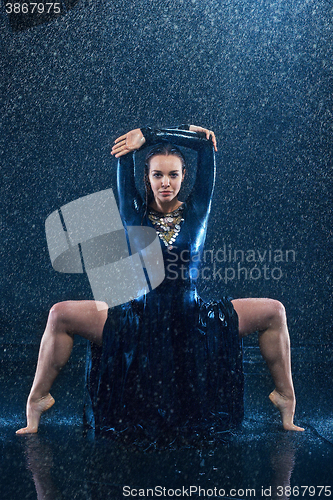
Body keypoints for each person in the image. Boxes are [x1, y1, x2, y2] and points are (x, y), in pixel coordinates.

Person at [16, 125, 304, 436]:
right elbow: (125, 154)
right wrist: (139, 141)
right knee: (60, 314)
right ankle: (38, 399)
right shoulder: (133, 213)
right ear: (147, 178)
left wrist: (152, 133)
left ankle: (285, 397)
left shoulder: (197, 211)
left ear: (184, 177)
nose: (165, 182)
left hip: (192, 320)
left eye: (173, 175)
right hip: (138, 321)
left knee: (274, 311)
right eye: (157, 175)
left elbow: (206, 148)